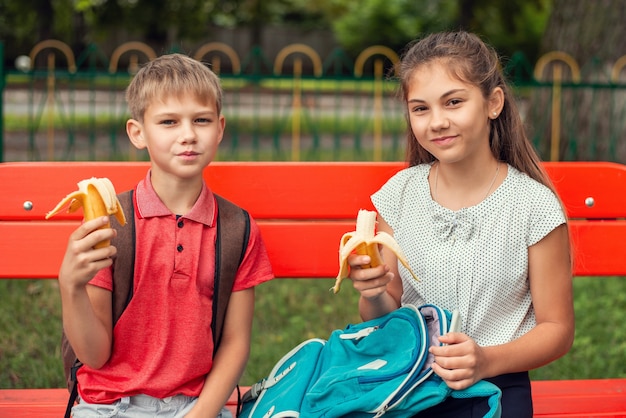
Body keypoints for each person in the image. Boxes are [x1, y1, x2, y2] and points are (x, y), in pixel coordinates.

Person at [347, 31, 574, 417]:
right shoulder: (398, 195)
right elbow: (386, 315)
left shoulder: (533, 207)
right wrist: (372, 292)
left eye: (453, 102)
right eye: (420, 109)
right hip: (410, 384)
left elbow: (557, 329)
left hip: (497, 384)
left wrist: (486, 360)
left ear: (493, 103)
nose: (437, 122)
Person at [57, 53, 274, 418]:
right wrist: (70, 286)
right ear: (137, 133)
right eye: (169, 122)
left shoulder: (238, 229)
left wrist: (202, 412)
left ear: (220, 128)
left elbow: (236, 342)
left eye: (201, 120)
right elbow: (94, 355)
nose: (188, 134)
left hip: (197, 406)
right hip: (109, 406)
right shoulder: (110, 226)